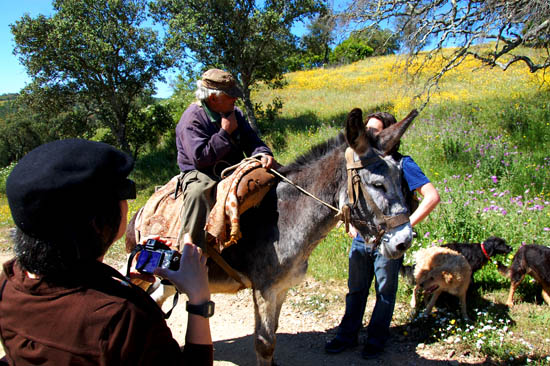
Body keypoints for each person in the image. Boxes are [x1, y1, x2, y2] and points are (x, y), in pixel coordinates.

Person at [0, 139, 213, 366]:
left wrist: (120, 279)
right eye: (124, 192)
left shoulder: (10, 281)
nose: (127, 201)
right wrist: (199, 300)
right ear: (96, 222)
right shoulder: (125, 318)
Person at [325, 112, 440, 359]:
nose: (369, 134)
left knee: (385, 292)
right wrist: (350, 224)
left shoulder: (402, 163)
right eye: (367, 129)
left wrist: (403, 226)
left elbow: (432, 197)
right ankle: (346, 336)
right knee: (356, 289)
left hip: (388, 240)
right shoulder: (360, 161)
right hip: (363, 237)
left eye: (375, 130)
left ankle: (376, 340)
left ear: (389, 134)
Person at [176, 68, 277, 250]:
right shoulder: (192, 119)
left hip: (233, 169)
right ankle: (188, 253)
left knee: (273, 177)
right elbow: (200, 158)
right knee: (198, 193)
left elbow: (252, 141)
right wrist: (224, 134)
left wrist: (263, 153)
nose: (235, 99)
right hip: (201, 173)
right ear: (213, 98)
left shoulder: (234, 113)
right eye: (230, 95)